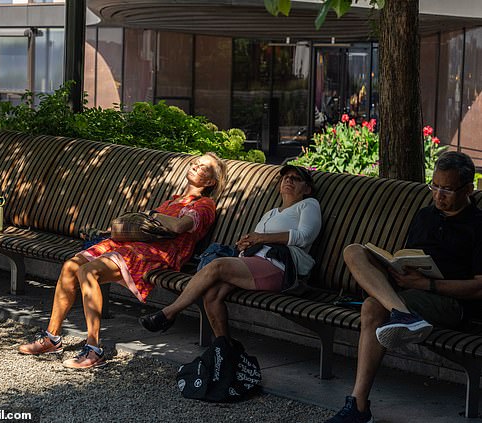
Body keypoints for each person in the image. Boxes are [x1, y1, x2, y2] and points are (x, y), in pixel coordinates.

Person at [18, 153, 228, 369]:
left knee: (88, 272)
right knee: (71, 266)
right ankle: (52, 338)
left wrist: (151, 214)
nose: (195, 166)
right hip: (135, 246)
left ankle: (93, 350)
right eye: (195, 162)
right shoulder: (174, 199)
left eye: (203, 167)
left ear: (210, 182)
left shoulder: (205, 205)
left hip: (155, 254)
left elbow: (178, 227)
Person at [326, 151, 482, 423]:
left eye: (446, 189)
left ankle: (358, 406)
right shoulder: (425, 216)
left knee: (372, 308)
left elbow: (479, 288)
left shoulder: (478, 225)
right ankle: (403, 314)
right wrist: (395, 268)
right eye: (434, 186)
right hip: (409, 292)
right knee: (353, 251)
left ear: (469, 188)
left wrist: (427, 284)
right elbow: (410, 255)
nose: (437, 195)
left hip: (449, 303)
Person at [139, 165, 322, 341]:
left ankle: (168, 313)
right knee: (212, 294)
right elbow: (258, 239)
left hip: (279, 267)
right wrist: (246, 243)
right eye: (286, 177)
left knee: (218, 265)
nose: (289, 180)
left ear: (306, 189)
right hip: (255, 262)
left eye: (296, 179)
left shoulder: (308, 205)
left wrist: (262, 238)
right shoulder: (271, 213)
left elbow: (304, 237)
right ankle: (224, 347)